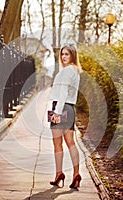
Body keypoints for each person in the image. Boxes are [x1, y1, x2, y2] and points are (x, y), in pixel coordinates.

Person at [49, 44, 82, 189]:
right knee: (71, 143)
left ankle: (59, 174)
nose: (63, 57)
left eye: (67, 54)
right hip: (70, 108)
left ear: (73, 56)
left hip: (60, 107)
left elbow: (62, 93)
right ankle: (76, 174)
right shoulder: (75, 71)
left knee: (57, 144)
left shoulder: (67, 71)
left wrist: (56, 112)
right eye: (62, 54)